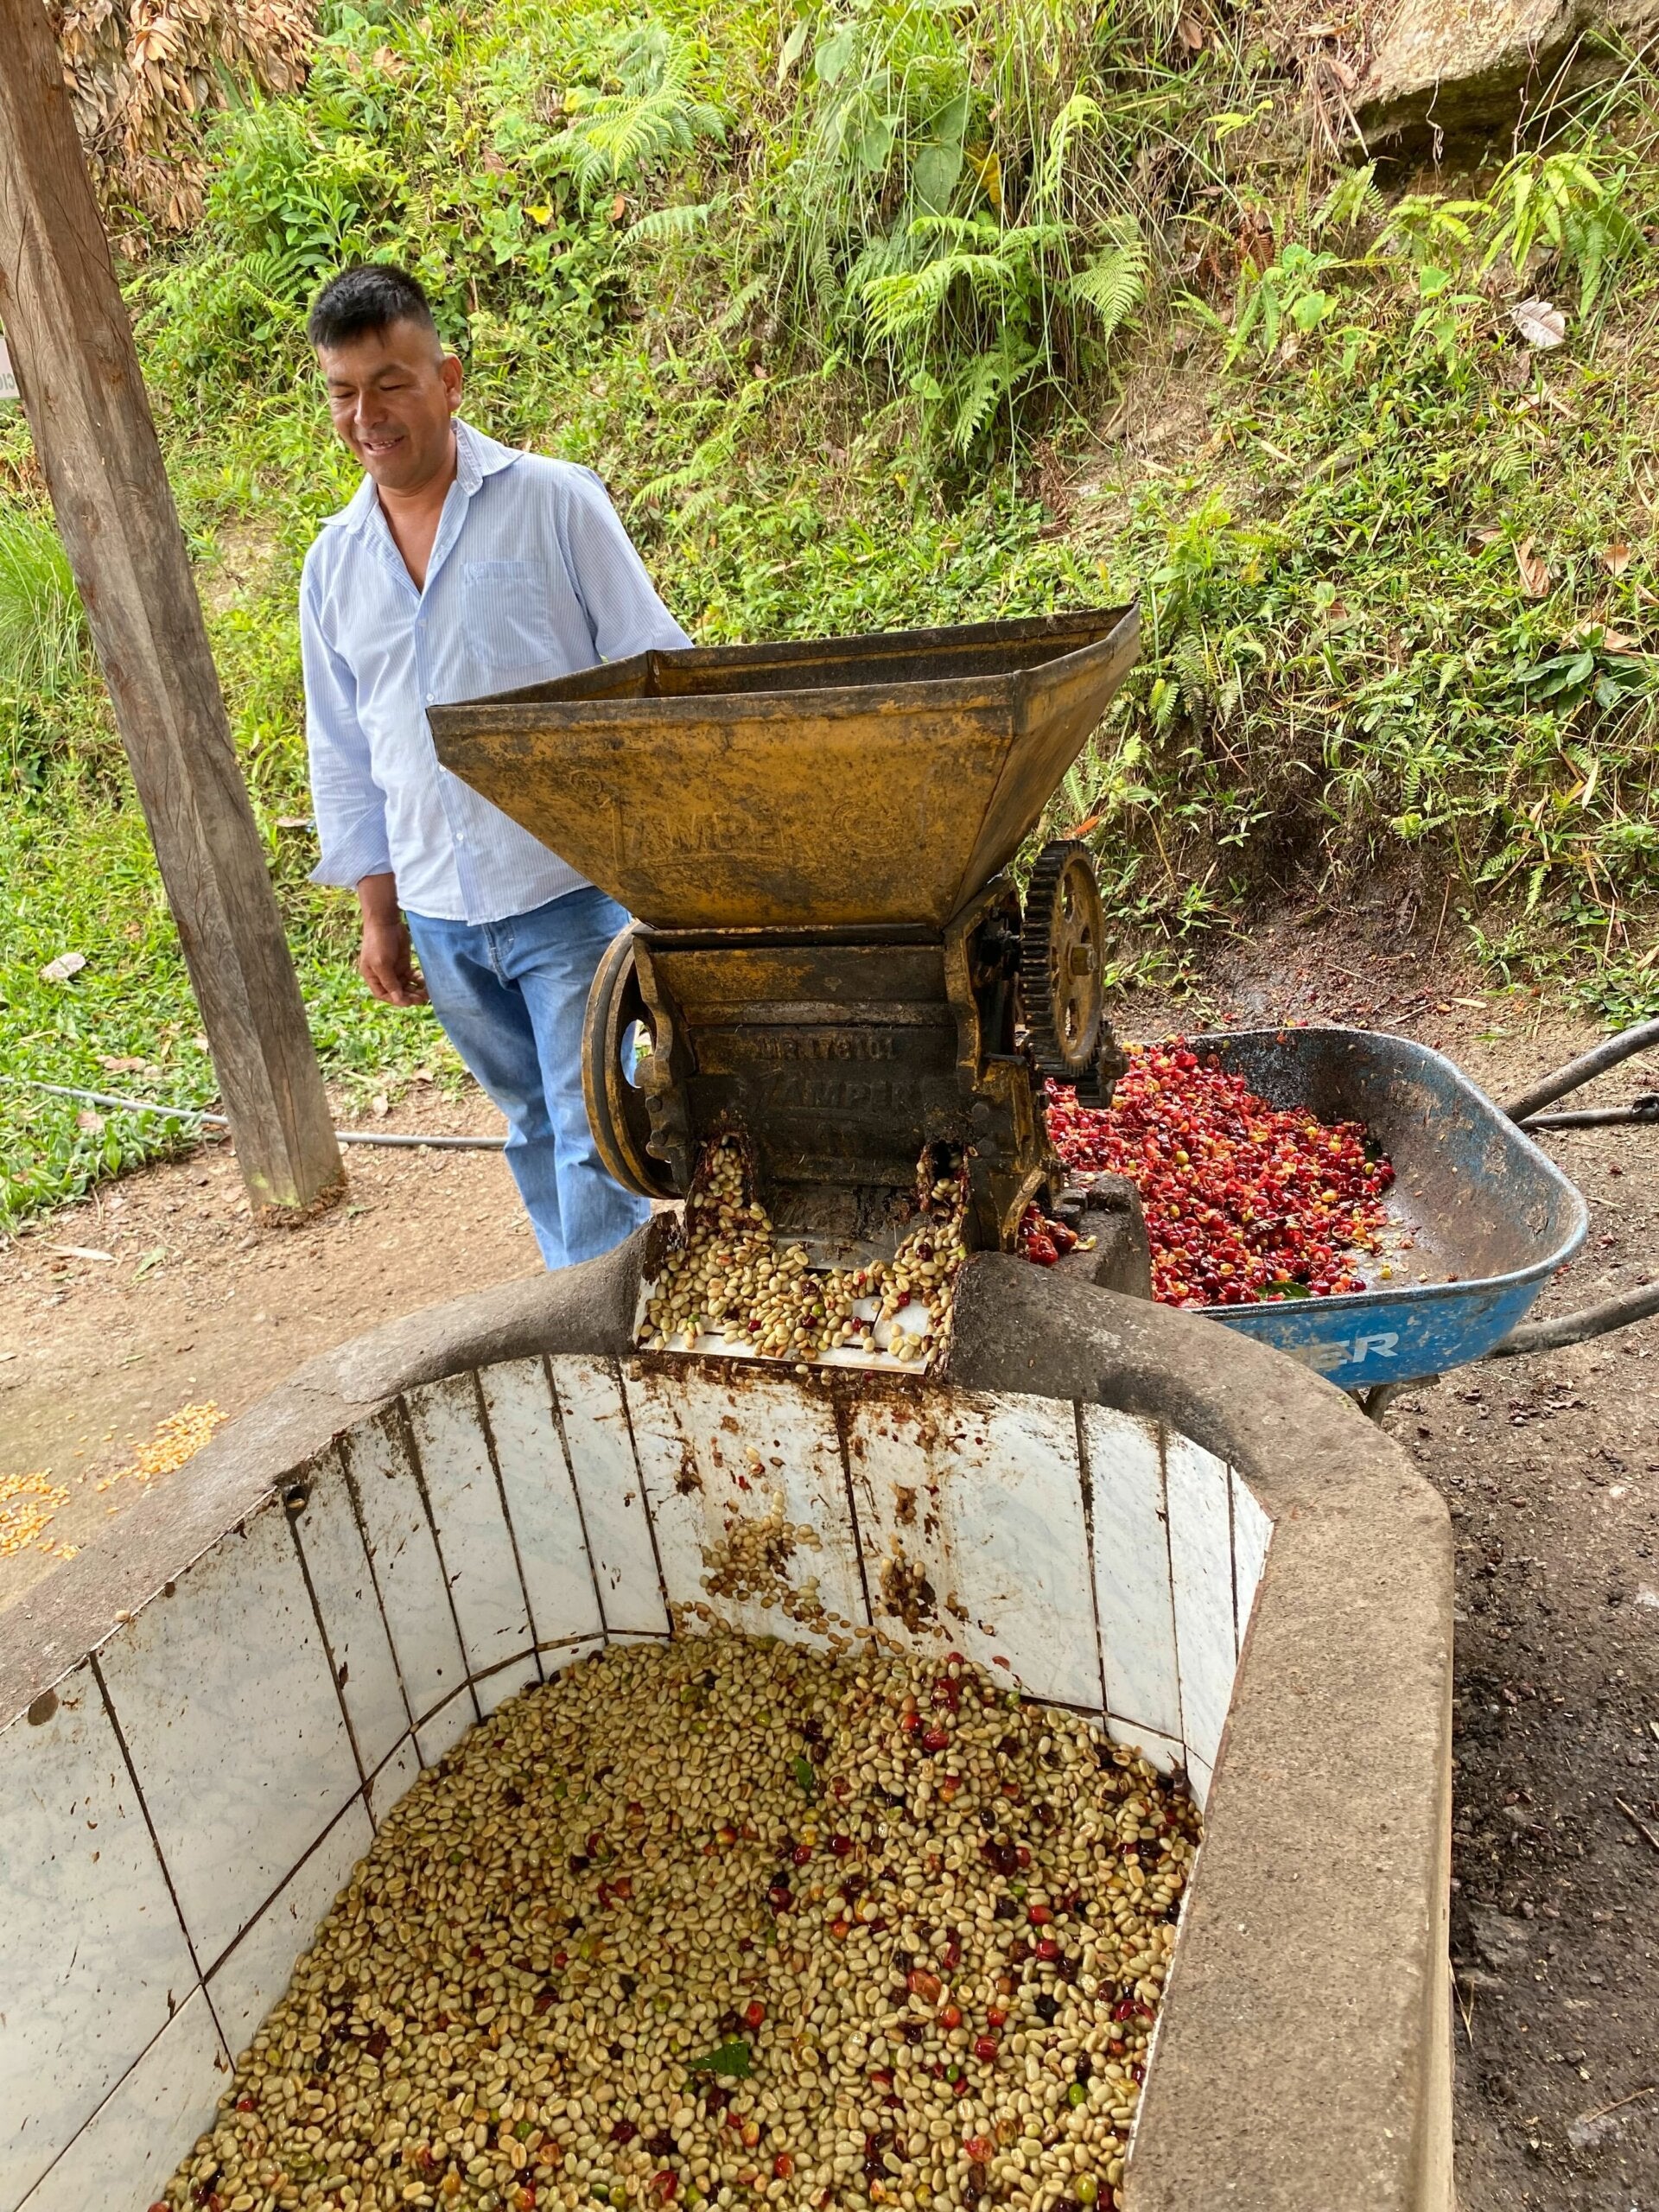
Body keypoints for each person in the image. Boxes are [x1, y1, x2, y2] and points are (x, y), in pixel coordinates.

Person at [299, 263, 690, 1269]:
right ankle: (600, 1321)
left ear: (450, 378)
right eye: (344, 391)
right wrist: (379, 914)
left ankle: (603, 1344)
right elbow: (348, 753)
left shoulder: (553, 503)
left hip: (565, 891)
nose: (366, 414)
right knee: (528, 1122)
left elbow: (657, 672)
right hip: (440, 908)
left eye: (390, 382)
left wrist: (677, 865)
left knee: (592, 1123)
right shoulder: (334, 561)